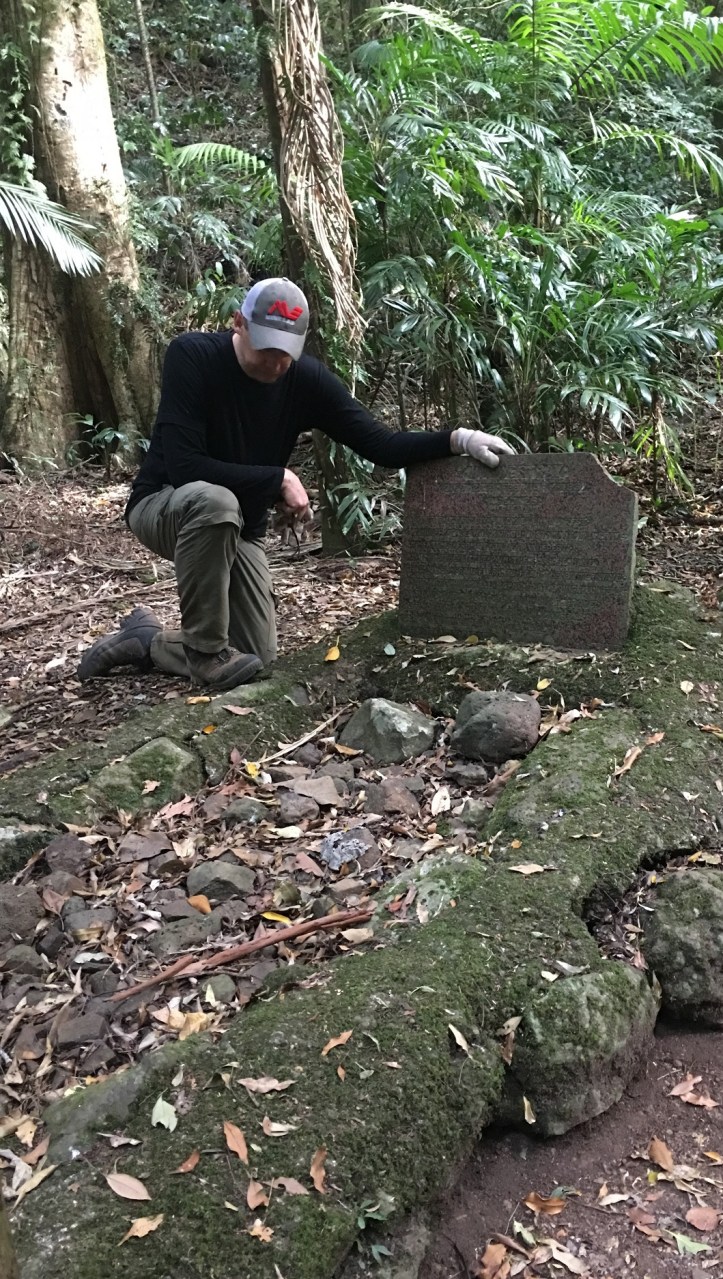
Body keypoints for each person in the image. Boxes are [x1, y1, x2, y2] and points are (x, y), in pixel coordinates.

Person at [78, 278, 514, 691]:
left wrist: (458, 439)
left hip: (237, 526)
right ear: (239, 323)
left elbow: (381, 444)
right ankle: (204, 651)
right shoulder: (193, 356)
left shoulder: (304, 380)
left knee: (254, 658)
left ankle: (148, 641)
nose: (276, 362)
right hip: (166, 504)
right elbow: (186, 466)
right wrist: (279, 478)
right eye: (267, 348)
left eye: (287, 351)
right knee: (215, 502)